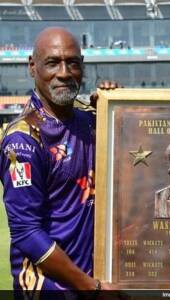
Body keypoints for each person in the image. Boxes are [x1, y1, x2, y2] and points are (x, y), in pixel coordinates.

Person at [0, 27, 119, 294]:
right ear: (33, 67)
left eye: (72, 63)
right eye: (53, 63)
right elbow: (27, 232)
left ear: (83, 67)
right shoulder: (24, 141)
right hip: (51, 290)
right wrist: (91, 288)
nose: (64, 73)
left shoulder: (93, 120)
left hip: (95, 281)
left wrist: (119, 107)